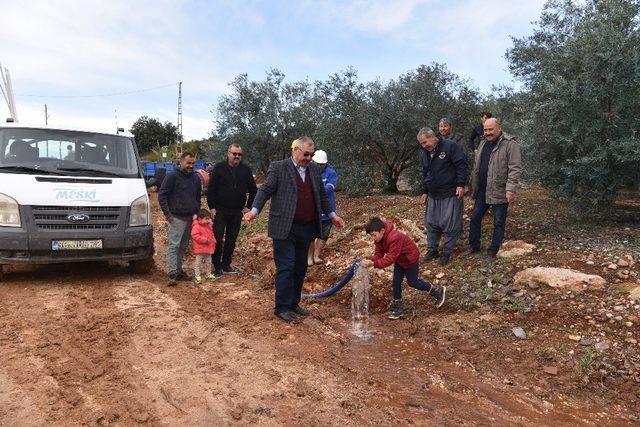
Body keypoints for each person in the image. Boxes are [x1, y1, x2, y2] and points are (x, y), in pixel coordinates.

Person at [243, 136, 345, 323]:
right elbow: (265, 190)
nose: (309, 158)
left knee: (300, 267)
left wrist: (332, 216)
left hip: (306, 227)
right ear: (295, 150)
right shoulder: (279, 167)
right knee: (286, 267)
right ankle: (281, 307)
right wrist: (254, 211)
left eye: (311, 155)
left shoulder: (313, 169)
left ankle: (293, 303)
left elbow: (321, 195)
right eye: (306, 154)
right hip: (284, 228)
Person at [360, 217, 446, 320]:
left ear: (382, 231)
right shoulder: (379, 239)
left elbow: (389, 259)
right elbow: (379, 253)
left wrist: (373, 263)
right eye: (371, 236)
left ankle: (436, 290)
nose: (373, 238)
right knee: (396, 281)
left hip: (410, 259)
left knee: (413, 282)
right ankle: (398, 306)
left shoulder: (394, 238)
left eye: (374, 235)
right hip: (399, 259)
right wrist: (371, 260)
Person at [467, 118, 523, 258]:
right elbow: (477, 166)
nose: (487, 132)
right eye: (485, 130)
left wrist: (510, 189)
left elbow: (515, 168)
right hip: (482, 190)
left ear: (499, 128)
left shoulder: (510, 144)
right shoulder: (483, 142)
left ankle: (493, 250)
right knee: (475, 218)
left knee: (498, 222)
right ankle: (474, 247)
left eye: (490, 129)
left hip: (500, 189)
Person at [418, 127, 468, 266]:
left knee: (450, 223)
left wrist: (460, 184)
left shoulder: (451, 146)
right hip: (433, 194)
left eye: (425, 142)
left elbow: (461, 166)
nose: (424, 146)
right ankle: (432, 250)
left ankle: (446, 252)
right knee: (431, 223)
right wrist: (425, 191)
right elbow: (425, 173)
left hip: (450, 192)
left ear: (433, 137)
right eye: (421, 144)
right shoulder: (425, 153)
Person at [207, 143, 257, 276]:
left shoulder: (246, 170)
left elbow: (253, 190)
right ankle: (217, 265)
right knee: (217, 237)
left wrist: (248, 207)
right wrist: (211, 207)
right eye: (234, 154)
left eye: (239, 154)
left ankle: (226, 264)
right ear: (228, 154)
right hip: (220, 210)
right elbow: (211, 189)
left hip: (237, 211)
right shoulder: (219, 168)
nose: (237, 156)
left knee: (232, 238)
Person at [158, 152, 201, 286]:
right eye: (188, 163)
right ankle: (171, 274)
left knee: (183, 246)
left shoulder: (196, 178)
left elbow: (198, 197)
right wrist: (167, 214)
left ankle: (178, 271)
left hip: (190, 218)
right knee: (174, 245)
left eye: (193, 163)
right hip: (176, 217)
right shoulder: (172, 176)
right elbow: (162, 195)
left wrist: (196, 212)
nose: (191, 166)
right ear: (181, 162)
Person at [307, 149, 338, 266]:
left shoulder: (331, 172)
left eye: (322, 164)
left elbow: (329, 187)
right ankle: (309, 257)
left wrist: (316, 191)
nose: (320, 166)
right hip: (311, 209)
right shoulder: (308, 170)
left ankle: (317, 255)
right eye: (318, 164)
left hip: (326, 207)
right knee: (310, 233)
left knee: (324, 233)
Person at [191, 208, 217, 284]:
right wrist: (205, 240)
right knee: (198, 263)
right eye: (206, 219)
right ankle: (197, 275)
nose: (208, 220)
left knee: (209, 262)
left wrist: (213, 241)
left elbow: (211, 234)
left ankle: (208, 274)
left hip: (208, 248)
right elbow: (194, 235)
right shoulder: (196, 226)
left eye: (209, 219)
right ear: (200, 218)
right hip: (200, 248)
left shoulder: (208, 225)